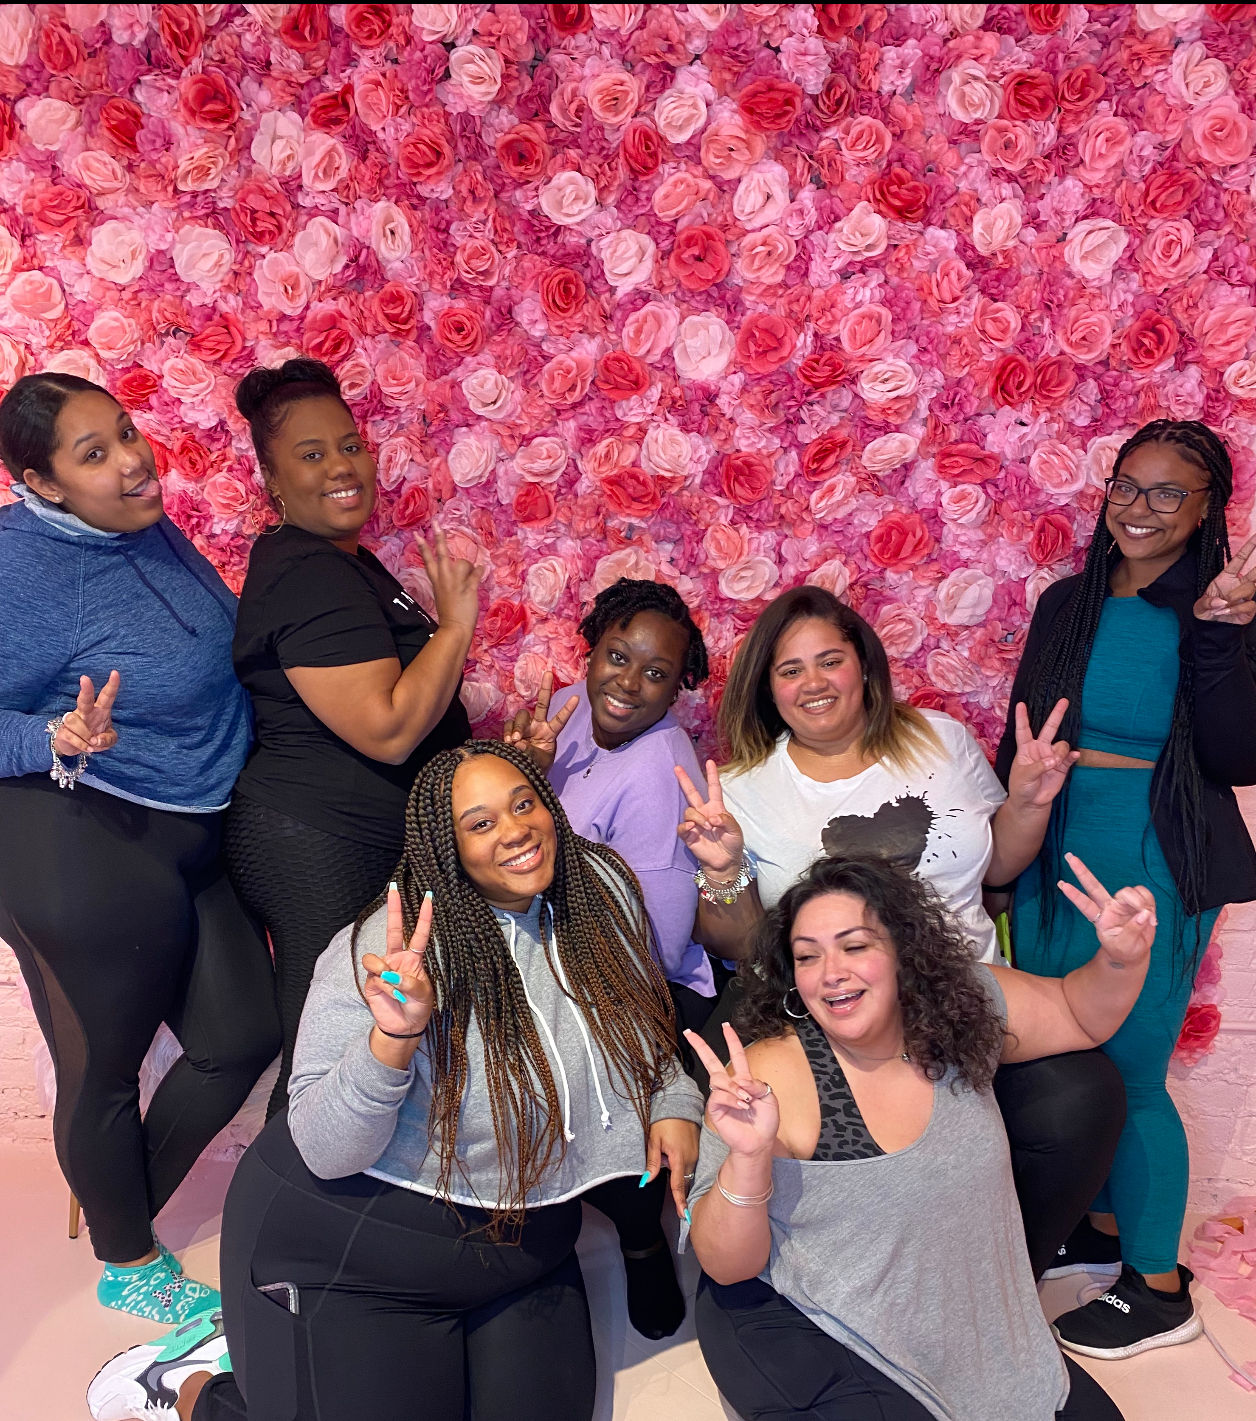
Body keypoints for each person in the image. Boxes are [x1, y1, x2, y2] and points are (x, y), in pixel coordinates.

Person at [88, 741, 703, 1421]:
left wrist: (672, 1096)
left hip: (523, 1244)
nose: (515, 829)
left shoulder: (597, 892)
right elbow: (325, 1147)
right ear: (447, 847)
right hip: (358, 1247)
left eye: (523, 802)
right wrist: (394, 1038)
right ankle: (198, 1385)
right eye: (480, 822)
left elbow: (636, 1016)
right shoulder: (384, 951)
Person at [674, 584, 1125, 1278]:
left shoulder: (940, 739)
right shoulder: (743, 786)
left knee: (1084, 1098)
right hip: (837, 1017)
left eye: (830, 659)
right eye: (790, 669)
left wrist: (1031, 801)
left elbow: (997, 861)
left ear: (863, 663)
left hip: (966, 999)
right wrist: (726, 867)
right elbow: (739, 944)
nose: (813, 682)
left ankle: (1000, 1282)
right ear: (768, 687)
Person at [0, 374, 280, 1323]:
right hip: (83, 828)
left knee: (242, 1034)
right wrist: (52, 738)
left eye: (125, 433)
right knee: (103, 1064)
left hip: (189, 817)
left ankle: (124, 1208)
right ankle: (128, 1261)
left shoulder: (138, 517)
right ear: (40, 484)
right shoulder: (18, 567)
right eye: (93, 454)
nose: (131, 460)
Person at [685, 852, 1140, 1421]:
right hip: (811, 1318)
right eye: (808, 956)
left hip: (952, 1310)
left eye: (855, 946)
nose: (831, 972)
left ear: (903, 952)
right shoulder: (773, 1074)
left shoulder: (961, 1008)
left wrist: (1122, 960)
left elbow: (1079, 1012)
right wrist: (749, 1158)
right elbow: (728, 1265)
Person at [997, 419, 1256, 1358]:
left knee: (1136, 1072)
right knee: (1067, 1052)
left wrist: (1225, 636)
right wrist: (1004, 857)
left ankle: (1159, 1288)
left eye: (1166, 492)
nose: (1139, 507)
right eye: (1126, 485)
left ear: (1205, 511)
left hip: (1155, 847)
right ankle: (1102, 1231)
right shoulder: (1068, 602)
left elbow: (1237, 755)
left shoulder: (1221, 613)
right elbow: (1024, 727)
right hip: (1058, 834)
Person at [227, 358, 480, 1114]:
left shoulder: (346, 562)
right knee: (325, 1047)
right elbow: (390, 728)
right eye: (311, 454)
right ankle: (278, 1219)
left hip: (350, 835)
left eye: (349, 445)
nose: (341, 466)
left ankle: (343, 1212)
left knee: (355, 1035)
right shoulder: (307, 572)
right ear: (271, 480)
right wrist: (458, 622)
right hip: (318, 840)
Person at [506, 576, 713, 1339]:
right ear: (590, 652)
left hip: (638, 981)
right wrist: (521, 767)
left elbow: (652, 946)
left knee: (584, 1064)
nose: (628, 682)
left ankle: (638, 1236)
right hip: (541, 947)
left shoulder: (663, 766)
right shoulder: (563, 713)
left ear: (677, 688)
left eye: (655, 672)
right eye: (617, 656)